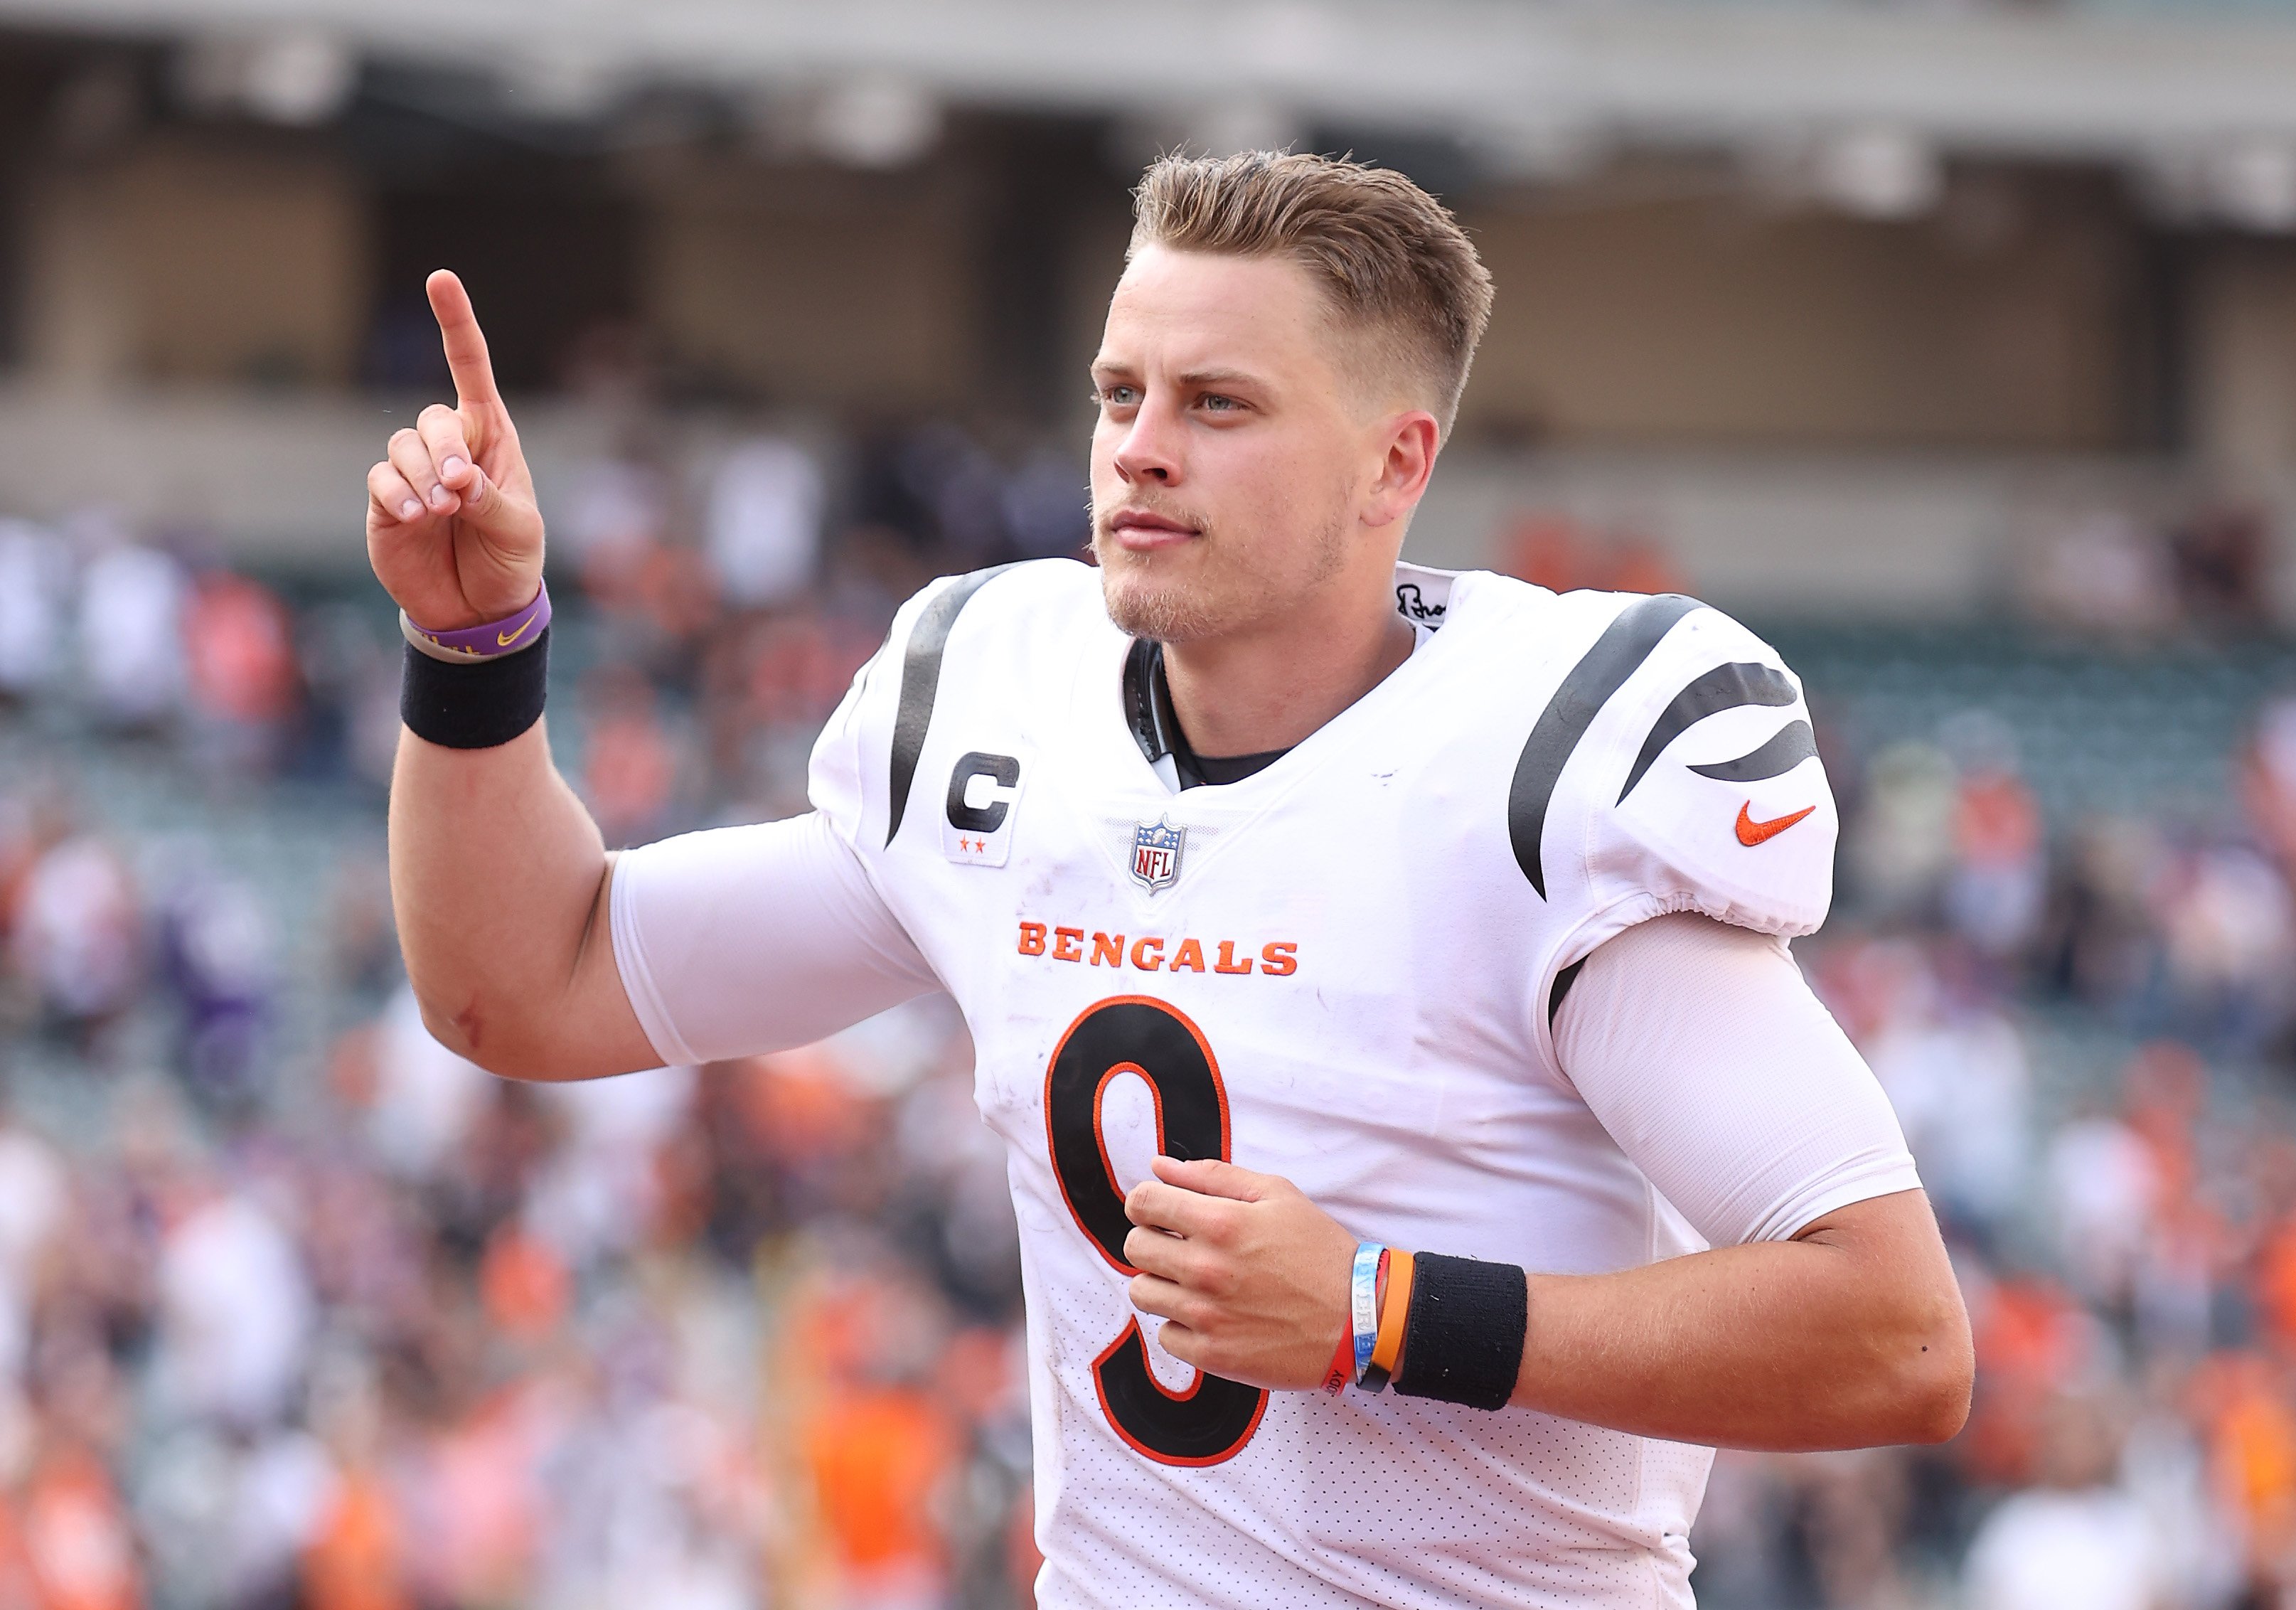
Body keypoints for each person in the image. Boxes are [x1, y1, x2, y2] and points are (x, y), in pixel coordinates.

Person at [362, 150, 1970, 1609]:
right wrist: (476, 643)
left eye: (1218, 404)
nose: (1138, 452)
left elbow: (1895, 1337)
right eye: (1115, 393)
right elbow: (533, 983)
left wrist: (1378, 1309)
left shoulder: (1535, 769)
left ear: (1392, 464)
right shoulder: (1003, 711)